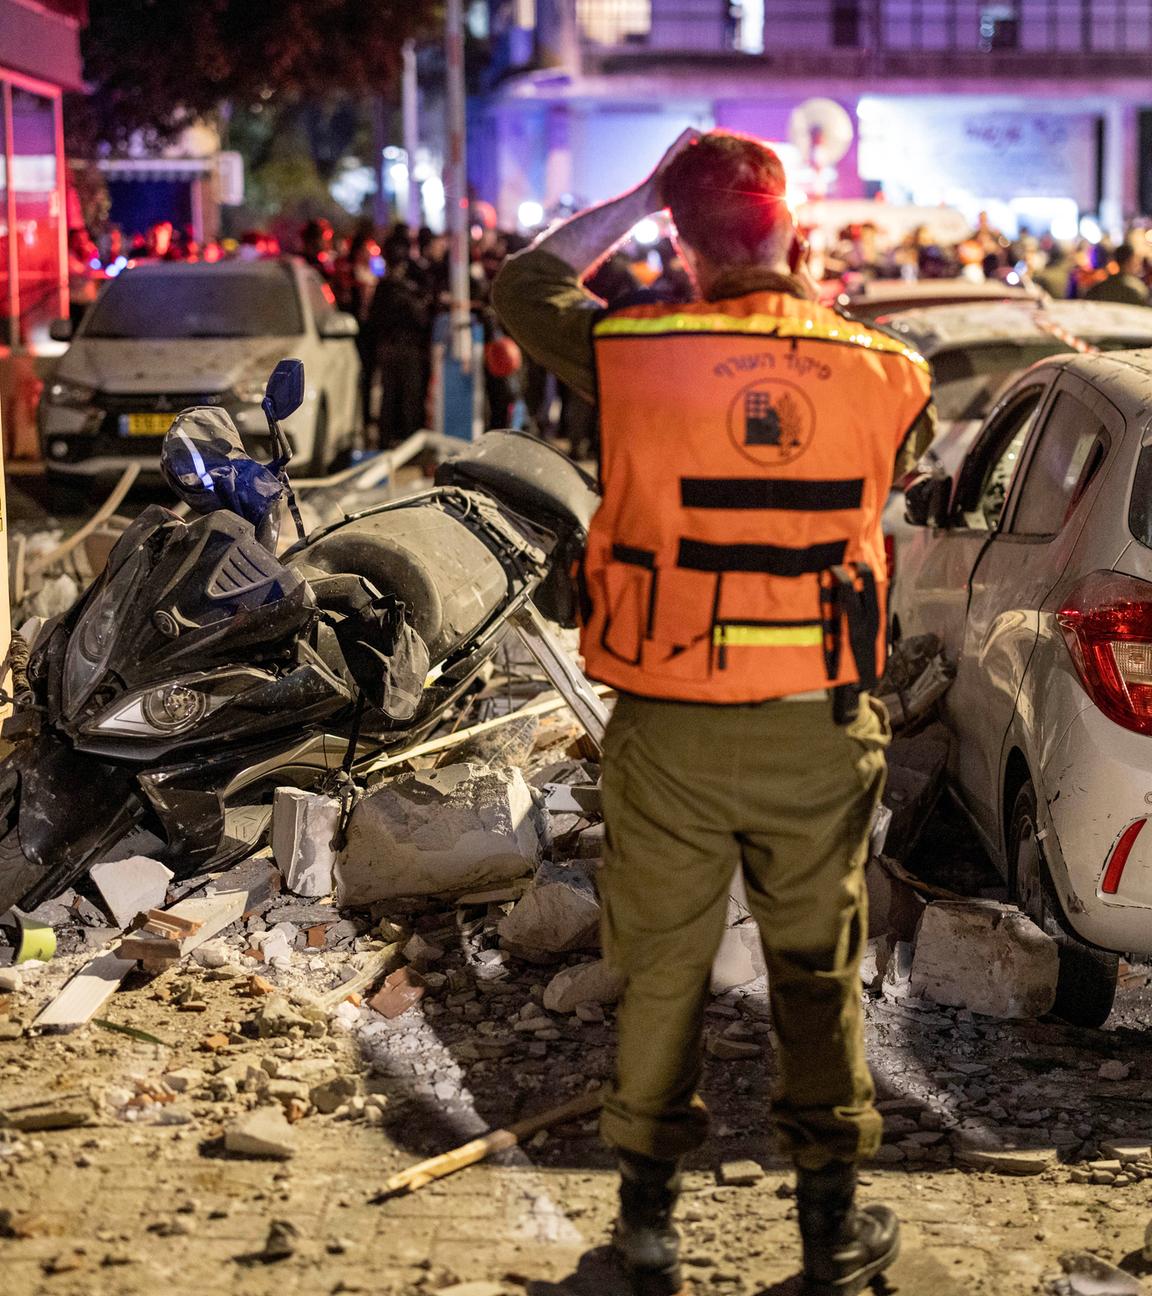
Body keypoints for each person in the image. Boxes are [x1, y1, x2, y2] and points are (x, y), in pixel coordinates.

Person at [493, 130, 934, 1296]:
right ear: (793, 229)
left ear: (682, 245)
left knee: (662, 968)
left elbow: (521, 279)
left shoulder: (637, 351)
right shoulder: (889, 369)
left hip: (672, 721)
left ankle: (647, 1236)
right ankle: (831, 1234)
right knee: (815, 972)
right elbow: (895, 452)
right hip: (816, 730)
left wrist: (638, 195)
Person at [1084, 241, 1150, 306]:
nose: (1138, 265)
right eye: (1136, 260)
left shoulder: (1098, 288)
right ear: (1129, 261)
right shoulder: (1136, 288)